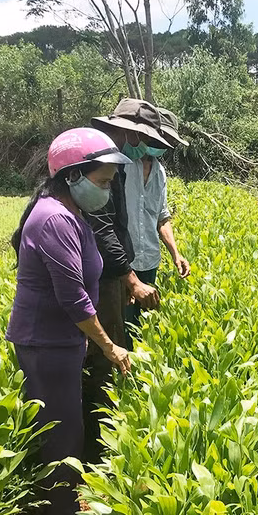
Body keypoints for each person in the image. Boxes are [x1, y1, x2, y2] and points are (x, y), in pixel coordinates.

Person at [6, 127, 132, 515]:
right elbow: (73, 298)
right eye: (102, 180)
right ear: (73, 175)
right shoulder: (54, 219)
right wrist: (110, 346)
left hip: (61, 344)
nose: (107, 189)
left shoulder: (70, 212)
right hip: (47, 345)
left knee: (67, 434)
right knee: (61, 442)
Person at [82, 98, 173, 463]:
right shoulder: (103, 161)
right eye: (142, 137)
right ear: (129, 132)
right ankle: (98, 443)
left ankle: (106, 425)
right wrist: (130, 279)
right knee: (105, 353)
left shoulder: (117, 159)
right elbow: (103, 227)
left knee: (116, 343)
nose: (143, 145)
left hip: (115, 269)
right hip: (104, 272)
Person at [122, 106, 191, 348]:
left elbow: (161, 217)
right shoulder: (122, 165)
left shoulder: (160, 172)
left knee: (143, 328)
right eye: (164, 139)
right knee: (122, 327)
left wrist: (176, 254)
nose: (165, 145)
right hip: (123, 264)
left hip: (149, 261)